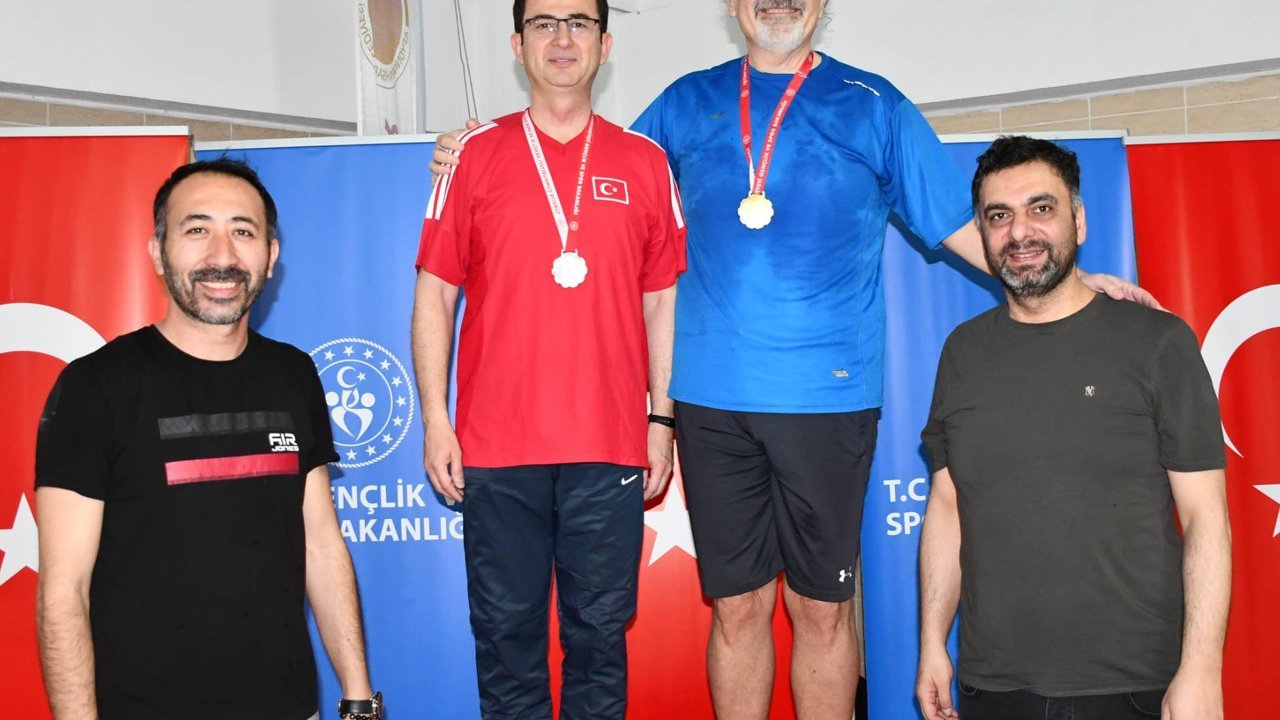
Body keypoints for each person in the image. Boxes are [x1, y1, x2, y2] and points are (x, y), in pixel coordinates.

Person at [428, 2, 1155, 717]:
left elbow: (958, 222)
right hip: (709, 400)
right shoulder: (684, 103)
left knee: (823, 610)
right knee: (737, 607)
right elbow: (585, 171)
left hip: (829, 399)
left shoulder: (874, 104)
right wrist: (468, 149)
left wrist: (1067, 280)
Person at [410, 1, 686, 718]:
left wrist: (662, 420)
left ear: (605, 43)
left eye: (578, 23)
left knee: (599, 642)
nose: (562, 38)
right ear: (517, 44)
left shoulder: (645, 160)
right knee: (506, 642)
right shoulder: (472, 155)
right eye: (543, 23)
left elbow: (663, 302)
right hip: (497, 447)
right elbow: (436, 292)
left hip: (608, 443)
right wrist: (436, 420)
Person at [34, 159, 380, 720]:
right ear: (158, 252)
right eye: (197, 229)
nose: (223, 255)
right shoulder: (94, 386)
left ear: (270, 255)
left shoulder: (293, 375)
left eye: (243, 231)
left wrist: (359, 699)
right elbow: (63, 592)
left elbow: (321, 544)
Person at [916, 136, 1231, 720]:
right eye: (999, 216)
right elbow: (947, 506)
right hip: (994, 687)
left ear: (1078, 221)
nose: (1020, 231)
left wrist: (1202, 669)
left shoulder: (1158, 342)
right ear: (983, 235)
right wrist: (933, 642)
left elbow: (1205, 517)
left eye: (1041, 208)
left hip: (1135, 685)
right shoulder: (962, 352)